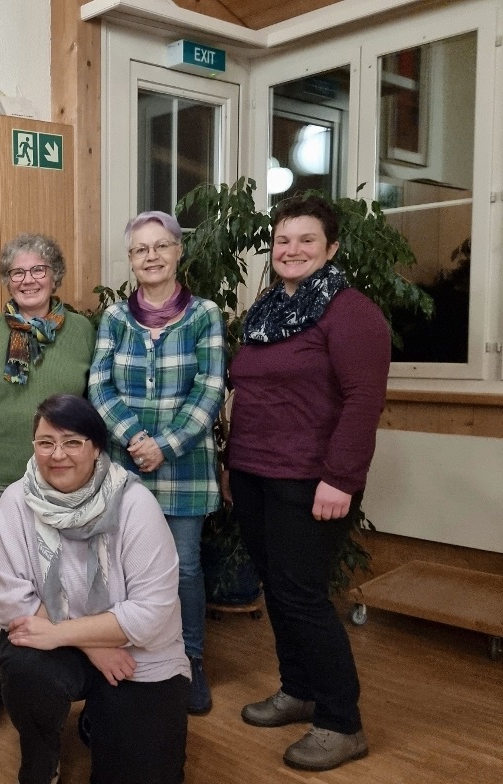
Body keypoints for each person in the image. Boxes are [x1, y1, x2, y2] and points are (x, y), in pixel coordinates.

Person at [228, 194, 389, 772]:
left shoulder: (350, 313)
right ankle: (298, 690)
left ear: (332, 247)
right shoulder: (268, 308)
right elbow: (249, 390)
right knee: (277, 588)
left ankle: (341, 721)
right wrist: (234, 466)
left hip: (313, 481)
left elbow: (363, 400)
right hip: (254, 472)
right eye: (282, 240)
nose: (291, 250)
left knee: (303, 596)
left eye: (305, 240)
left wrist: (341, 478)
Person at [0, 394, 189, 784]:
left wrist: (62, 631)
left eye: (72, 442)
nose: (57, 454)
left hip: (137, 651)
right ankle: (42, 757)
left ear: (96, 448)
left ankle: (102, 720)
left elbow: (150, 614)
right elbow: (11, 600)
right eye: (46, 442)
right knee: (23, 664)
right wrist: (91, 646)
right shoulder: (15, 502)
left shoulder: (135, 504)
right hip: (69, 646)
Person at [87, 210, 226, 715]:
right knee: (123, 567)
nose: (151, 256)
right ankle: (132, 653)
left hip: (184, 466)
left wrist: (163, 445)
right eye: (140, 249)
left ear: (177, 252)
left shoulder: (205, 315)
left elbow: (209, 390)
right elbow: (99, 387)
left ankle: (190, 660)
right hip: (124, 468)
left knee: (184, 568)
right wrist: (134, 438)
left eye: (160, 246)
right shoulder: (115, 319)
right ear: (131, 259)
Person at [0, 233, 96, 492]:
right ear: (8, 282)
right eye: (17, 273)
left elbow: (94, 405)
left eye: (38, 270)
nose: (28, 280)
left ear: (55, 277)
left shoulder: (82, 331)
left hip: (66, 478)